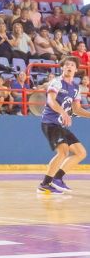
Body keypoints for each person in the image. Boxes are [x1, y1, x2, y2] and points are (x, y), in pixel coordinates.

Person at [37, 56, 89, 194]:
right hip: (50, 123)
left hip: (60, 125)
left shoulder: (75, 88)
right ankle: (44, 184)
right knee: (63, 152)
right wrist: (64, 113)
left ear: (76, 69)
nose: (69, 67)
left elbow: (77, 109)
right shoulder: (57, 82)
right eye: (67, 65)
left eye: (72, 65)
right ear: (62, 68)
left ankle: (57, 179)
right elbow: (51, 101)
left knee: (81, 153)